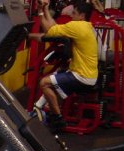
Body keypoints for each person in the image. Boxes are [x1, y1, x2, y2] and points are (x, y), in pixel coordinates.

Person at [29, 1, 98, 132]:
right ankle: (41, 109)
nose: (71, 15)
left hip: (82, 76)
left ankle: (58, 119)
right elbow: (55, 28)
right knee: (54, 79)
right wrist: (46, 9)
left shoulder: (77, 26)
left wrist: (40, 12)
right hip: (87, 74)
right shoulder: (87, 26)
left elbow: (49, 31)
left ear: (82, 16)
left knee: (44, 83)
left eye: (74, 13)